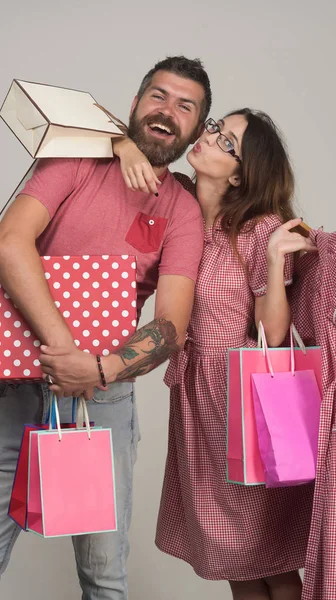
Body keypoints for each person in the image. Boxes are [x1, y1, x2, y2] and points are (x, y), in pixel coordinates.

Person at [0, 56, 212, 599]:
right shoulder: (74, 160)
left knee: (104, 575)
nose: (168, 111)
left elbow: (170, 326)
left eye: (185, 106)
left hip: (105, 396)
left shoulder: (182, 210)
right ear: (135, 105)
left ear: (193, 130)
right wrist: (64, 351)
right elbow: (9, 243)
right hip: (15, 384)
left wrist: (95, 370)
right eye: (158, 96)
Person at [106, 110, 317, 599]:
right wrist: (124, 146)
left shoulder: (260, 228)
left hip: (246, 402)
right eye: (216, 126)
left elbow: (274, 332)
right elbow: (104, 134)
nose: (210, 136)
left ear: (241, 172)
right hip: (195, 401)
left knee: (271, 560)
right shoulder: (174, 201)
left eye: (228, 141)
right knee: (230, 556)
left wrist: (272, 259)